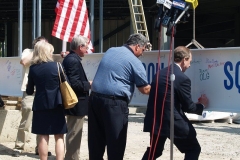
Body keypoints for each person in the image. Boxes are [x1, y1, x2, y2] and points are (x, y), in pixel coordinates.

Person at [88, 33, 151, 160]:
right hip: (114, 104)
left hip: (95, 99)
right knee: (116, 143)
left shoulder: (111, 50)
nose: (142, 54)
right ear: (137, 46)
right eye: (143, 50)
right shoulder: (135, 61)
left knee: (95, 142)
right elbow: (144, 89)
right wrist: (158, 88)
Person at [142, 46, 209, 160]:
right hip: (172, 122)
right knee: (193, 148)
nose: (189, 65)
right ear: (184, 59)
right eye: (190, 62)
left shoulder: (159, 73)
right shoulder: (182, 79)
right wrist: (202, 105)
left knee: (154, 151)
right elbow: (189, 107)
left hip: (156, 121)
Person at [26, 41, 67, 160]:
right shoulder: (57, 66)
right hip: (57, 104)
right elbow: (66, 83)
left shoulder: (33, 68)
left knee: (42, 136)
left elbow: (29, 91)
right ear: (48, 52)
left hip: (40, 105)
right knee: (59, 136)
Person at [13, 36, 51, 157]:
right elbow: (24, 62)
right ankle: (19, 146)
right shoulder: (28, 52)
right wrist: (37, 51)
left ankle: (39, 148)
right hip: (29, 91)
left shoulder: (47, 55)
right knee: (26, 120)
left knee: (41, 122)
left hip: (42, 91)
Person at [62, 35, 92, 160]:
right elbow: (74, 83)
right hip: (76, 103)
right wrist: (89, 84)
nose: (87, 50)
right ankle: (72, 158)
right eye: (86, 47)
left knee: (73, 131)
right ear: (80, 47)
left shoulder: (71, 59)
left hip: (76, 103)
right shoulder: (73, 60)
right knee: (74, 132)